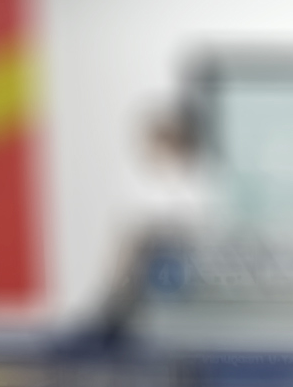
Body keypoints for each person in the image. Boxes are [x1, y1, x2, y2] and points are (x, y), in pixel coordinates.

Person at [75, 102, 213, 351]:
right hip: (153, 242)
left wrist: (153, 223)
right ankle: (113, 311)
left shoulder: (187, 174)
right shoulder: (148, 176)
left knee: (134, 243)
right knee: (130, 244)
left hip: (175, 242)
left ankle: (112, 310)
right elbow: (135, 210)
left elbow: (186, 216)